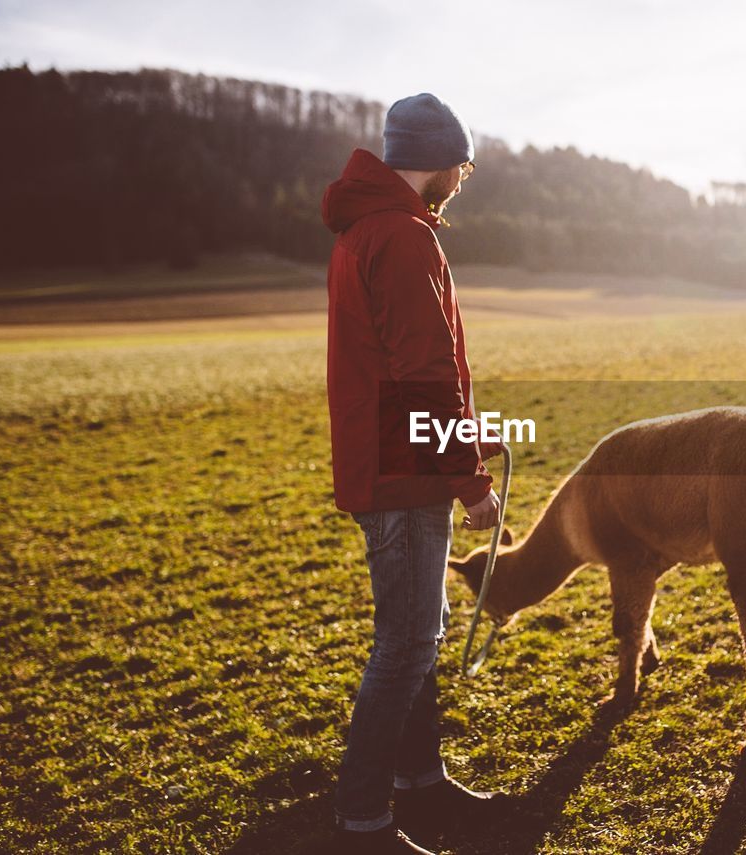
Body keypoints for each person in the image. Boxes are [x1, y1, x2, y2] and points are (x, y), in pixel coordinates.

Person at [321, 92, 505, 854]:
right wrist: (469, 480)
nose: (462, 181)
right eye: (462, 167)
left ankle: (420, 779)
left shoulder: (374, 229)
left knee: (416, 639)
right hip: (406, 476)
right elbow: (422, 372)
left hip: (401, 461)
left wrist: (467, 438)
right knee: (404, 643)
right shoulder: (401, 236)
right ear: (442, 159)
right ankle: (363, 819)